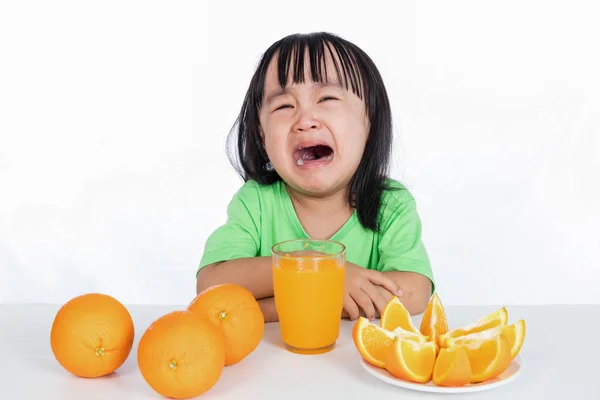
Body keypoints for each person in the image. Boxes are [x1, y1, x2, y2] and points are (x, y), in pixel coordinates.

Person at [195, 32, 434, 322]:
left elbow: (414, 292)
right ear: (261, 133)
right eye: (284, 106)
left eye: (327, 98)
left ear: (369, 120)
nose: (305, 121)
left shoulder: (390, 203)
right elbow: (211, 284)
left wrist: (273, 306)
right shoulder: (256, 202)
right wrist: (324, 273)